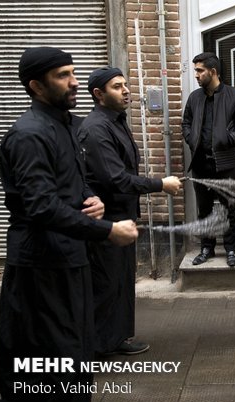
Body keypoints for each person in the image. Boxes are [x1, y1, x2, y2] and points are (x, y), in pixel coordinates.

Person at [0, 47, 138, 402]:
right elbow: (41, 206)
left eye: (73, 73)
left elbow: (74, 182)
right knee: (44, 367)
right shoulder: (29, 135)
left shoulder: (64, 125)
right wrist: (107, 231)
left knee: (74, 358)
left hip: (70, 259)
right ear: (36, 86)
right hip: (41, 267)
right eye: (63, 75)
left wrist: (92, 198)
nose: (74, 82)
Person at [78, 67, 182, 357]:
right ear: (99, 94)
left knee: (121, 282)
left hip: (123, 216)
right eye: (116, 86)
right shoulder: (96, 129)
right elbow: (115, 178)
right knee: (106, 283)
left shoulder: (116, 121)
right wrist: (160, 184)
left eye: (125, 84)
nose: (125, 90)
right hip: (107, 221)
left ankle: (118, 337)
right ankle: (95, 349)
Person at [182, 52, 235, 267]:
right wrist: (191, 138)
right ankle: (207, 248)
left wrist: (229, 139)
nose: (196, 75)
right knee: (204, 209)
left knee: (227, 208)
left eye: (199, 70)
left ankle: (231, 249)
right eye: (195, 70)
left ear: (213, 72)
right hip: (200, 163)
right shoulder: (195, 97)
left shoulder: (234, 95)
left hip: (225, 163)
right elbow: (186, 122)